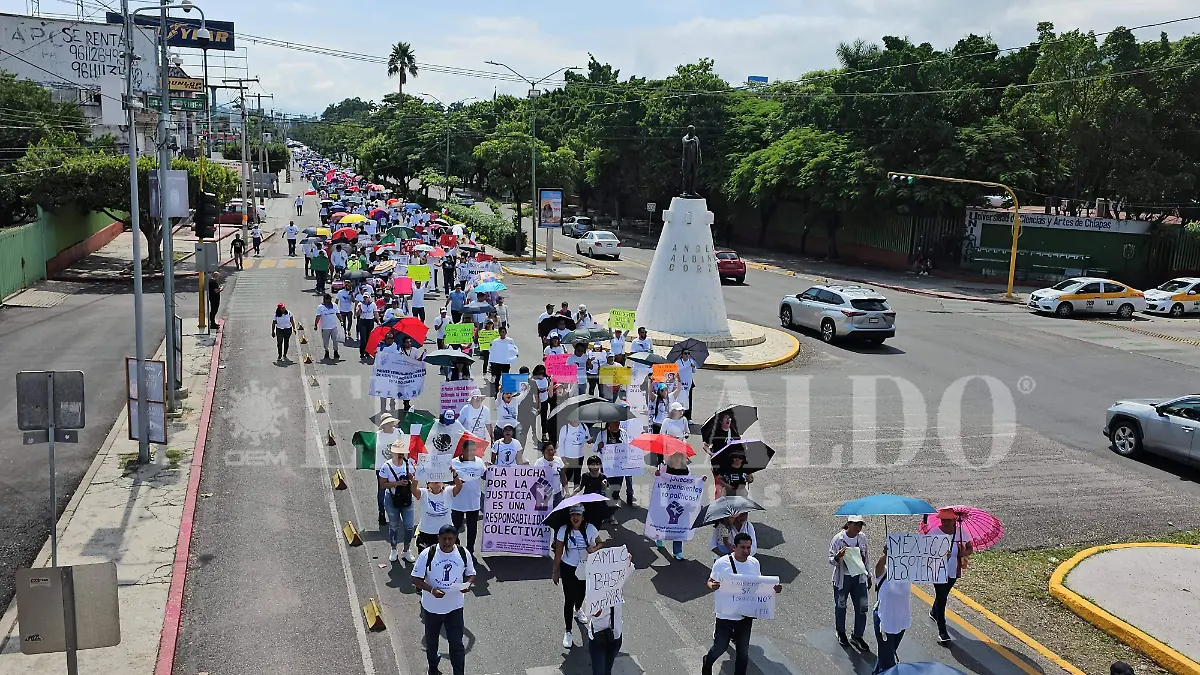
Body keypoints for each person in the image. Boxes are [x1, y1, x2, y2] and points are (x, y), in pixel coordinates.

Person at [702, 533, 783, 675]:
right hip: (725, 615)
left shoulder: (754, 563)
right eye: (743, 547)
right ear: (734, 547)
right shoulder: (721, 563)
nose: (746, 551)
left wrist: (773, 589)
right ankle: (707, 662)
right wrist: (711, 585)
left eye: (749, 547)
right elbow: (710, 581)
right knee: (719, 648)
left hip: (745, 616)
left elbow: (758, 586)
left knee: (743, 652)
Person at [411, 524, 476, 675]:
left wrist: (468, 585)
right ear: (438, 538)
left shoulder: (462, 553)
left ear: (455, 539)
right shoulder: (428, 554)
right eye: (444, 539)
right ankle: (433, 668)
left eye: (450, 539)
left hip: (455, 608)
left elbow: (471, 573)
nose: (447, 542)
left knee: (457, 645)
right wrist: (431, 590)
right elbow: (415, 579)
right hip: (433, 609)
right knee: (432, 643)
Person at [551, 504, 603, 649]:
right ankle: (568, 631)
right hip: (568, 568)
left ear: (583, 516)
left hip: (585, 567)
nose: (575, 517)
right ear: (569, 517)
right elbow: (559, 552)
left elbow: (601, 543)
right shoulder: (563, 530)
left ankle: (578, 609)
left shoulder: (590, 529)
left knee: (581, 593)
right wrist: (555, 572)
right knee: (569, 598)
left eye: (578, 514)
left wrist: (594, 549)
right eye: (573, 514)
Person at [930, 507, 973, 644]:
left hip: (953, 571)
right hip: (938, 571)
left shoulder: (961, 533)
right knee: (942, 598)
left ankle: (934, 611)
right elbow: (927, 551)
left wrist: (964, 553)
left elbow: (970, 548)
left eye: (948, 520)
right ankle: (942, 631)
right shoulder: (934, 532)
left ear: (954, 520)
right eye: (943, 520)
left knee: (943, 595)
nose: (945, 523)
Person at [654, 450, 705, 559]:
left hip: (681, 500)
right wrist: (658, 474)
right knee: (665, 520)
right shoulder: (665, 468)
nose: (677, 459)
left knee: (678, 523)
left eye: (679, 457)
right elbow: (659, 479)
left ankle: (677, 551)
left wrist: (701, 479)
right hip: (666, 499)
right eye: (675, 457)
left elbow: (691, 482)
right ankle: (659, 537)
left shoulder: (686, 470)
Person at [830, 515, 872, 650]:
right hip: (843, 579)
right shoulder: (838, 539)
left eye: (860, 525)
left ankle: (857, 636)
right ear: (848, 524)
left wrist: (869, 575)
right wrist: (837, 556)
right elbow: (830, 559)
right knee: (841, 606)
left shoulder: (862, 538)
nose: (858, 528)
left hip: (859, 578)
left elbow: (866, 558)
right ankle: (841, 632)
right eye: (856, 525)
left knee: (862, 607)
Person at [378, 443, 416, 563]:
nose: (400, 454)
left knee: (409, 526)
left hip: (407, 498)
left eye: (402, 452)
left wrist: (412, 477)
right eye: (397, 452)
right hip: (392, 499)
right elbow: (382, 485)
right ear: (393, 452)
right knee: (394, 525)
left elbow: (415, 480)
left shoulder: (408, 464)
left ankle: (406, 550)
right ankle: (393, 549)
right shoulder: (386, 466)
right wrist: (397, 484)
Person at [872, 552, 910, 674]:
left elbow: (928, 570)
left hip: (900, 622)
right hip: (885, 622)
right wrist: (885, 554)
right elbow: (878, 566)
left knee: (887, 653)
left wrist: (941, 558)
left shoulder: (907, 575)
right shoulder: (883, 573)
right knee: (889, 665)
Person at [410, 472, 464, 551]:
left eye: (439, 479)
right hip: (427, 533)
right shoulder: (424, 493)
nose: (436, 481)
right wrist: (417, 476)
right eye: (432, 479)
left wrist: (454, 474)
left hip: (446, 533)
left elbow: (459, 486)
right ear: (428, 484)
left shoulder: (448, 491)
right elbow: (414, 489)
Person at [450, 439, 487, 553]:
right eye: (469, 450)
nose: (471, 453)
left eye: (473, 450)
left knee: (472, 529)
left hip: (473, 502)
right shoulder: (454, 462)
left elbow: (485, 477)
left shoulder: (479, 462)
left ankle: (470, 551)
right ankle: (457, 550)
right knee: (455, 528)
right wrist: (456, 480)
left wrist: (491, 469)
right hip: (457, 502)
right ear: (463, 450)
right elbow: (447, 481)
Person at [596, 420, 634, 505]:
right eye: (614, 422)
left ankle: (615, 498)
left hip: (619, 465)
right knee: (607, 484)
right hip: (607, 465)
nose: (617, 424)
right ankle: (605, 500)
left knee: (618, 484)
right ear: (609, 423)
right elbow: (595, 449)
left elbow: (627, 447)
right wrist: (599, 446)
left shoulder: (623, 433)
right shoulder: (602, 434)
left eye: (618, 422)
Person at [557, 416, 590, 489]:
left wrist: (589, 440)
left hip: (580, 456)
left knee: (577, 476)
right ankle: (562, 492)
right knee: (567, 476)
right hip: (568, 457)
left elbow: (588, 438)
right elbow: (561, 444)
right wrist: (562, 457)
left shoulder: (584, 426)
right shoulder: (565, 428)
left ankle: (575, 495)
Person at [534, 441, 567, 506]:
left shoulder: (558, 460)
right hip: (544, 494)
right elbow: (535, 478)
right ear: (543, 452)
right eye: (548, 450)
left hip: (557, 493)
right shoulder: (538, 463)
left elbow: (563, 476)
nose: (551, 452)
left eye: (552, 450)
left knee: (557, 514)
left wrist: (567, 491)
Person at [488, 326, 519, 393]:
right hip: (498, 362)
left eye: (504, 332)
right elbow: (492, 350)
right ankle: (496, 391)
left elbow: (513, 349)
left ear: (506, 332)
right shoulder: (495, 341)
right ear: (499, 333)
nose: (502, 333)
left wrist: (515, 354)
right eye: (501, 332)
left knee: (505, 377)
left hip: (506, 362)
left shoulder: (510, 340)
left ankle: (505, 391)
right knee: (498, 377)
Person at [314, 293, 341, 361]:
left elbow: (338, 314)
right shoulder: (320, 307)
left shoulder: (334, 305)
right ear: (325, 300)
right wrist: (315, 325)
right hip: (325, 327)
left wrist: (341, 321)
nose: (329, 301)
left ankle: (335, 351)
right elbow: (318, 317)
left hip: (333, 327)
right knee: (326, 341)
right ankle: (326, 351)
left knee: (335, 340)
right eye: (328, 299)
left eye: (330, 299)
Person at [530, 365, 552, 440]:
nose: (540, 375)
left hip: (544, 400)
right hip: (535, 402)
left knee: (544, 418)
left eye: (542, 373)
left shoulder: (546, 378)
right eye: (539, 373)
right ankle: (534, 433)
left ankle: (544, 434)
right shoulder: (532, 380)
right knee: (533, 418)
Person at [354, 291, 378, 360]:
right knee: (363, 339)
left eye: (366, 297)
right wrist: (359, 310)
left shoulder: (373, 304)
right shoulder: (360, 304)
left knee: (368, 338)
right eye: (364, 297)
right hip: (362, 322)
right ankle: (362, 353)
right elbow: (357, 313)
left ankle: (367, 353)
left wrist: (378, 321)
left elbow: (375, 313)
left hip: (370, 321)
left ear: (369, 298)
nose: (365, 299)